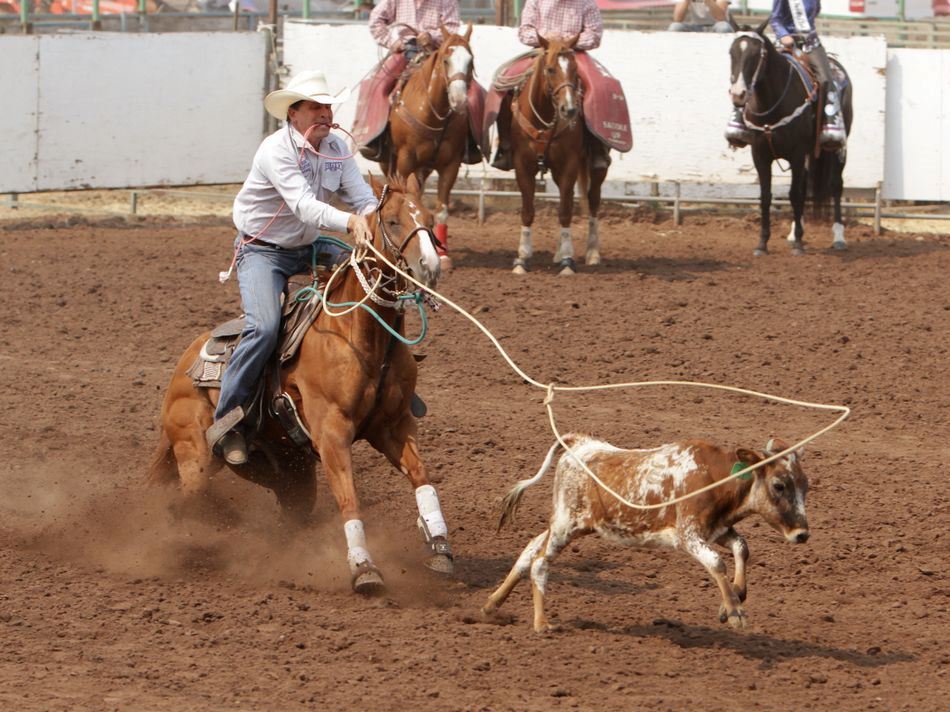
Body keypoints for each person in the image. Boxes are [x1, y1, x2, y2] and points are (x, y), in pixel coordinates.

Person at [206, 70, 377, 466]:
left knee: (376, 279)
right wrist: (351, 222)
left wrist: (373, 217)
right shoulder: (275, 150)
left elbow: (363, 196)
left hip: (309, 244)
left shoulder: (336, 147)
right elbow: (303, 205)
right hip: (262, 251)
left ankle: (388, 377)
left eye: (327, 106)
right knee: (263, 327)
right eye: (315, 106)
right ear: (294, 113)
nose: (324, 113)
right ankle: (227, 420)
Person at [491, 0, 612, 171]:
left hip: (572, 53)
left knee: (599, 88)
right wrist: (549, 42)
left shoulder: (586, 2)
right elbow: (525, 31)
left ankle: (597, 148)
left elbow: (594, 34)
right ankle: (506, 145)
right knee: (504, 83)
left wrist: (565, 42)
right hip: (542, 52)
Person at [725, 0, 846, 149]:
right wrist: (783, 34)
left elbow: (815, 12)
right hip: (785, 43)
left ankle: (830, 122)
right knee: (754, 69)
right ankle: (738, 119)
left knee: (826, 78)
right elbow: (775, 18)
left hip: (810, 44)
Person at [668, 0, 733, 33]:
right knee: (675, 27)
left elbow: (721, 18)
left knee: (723, 27)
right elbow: (677, 19)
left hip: (716, 25)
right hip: (696, 26)